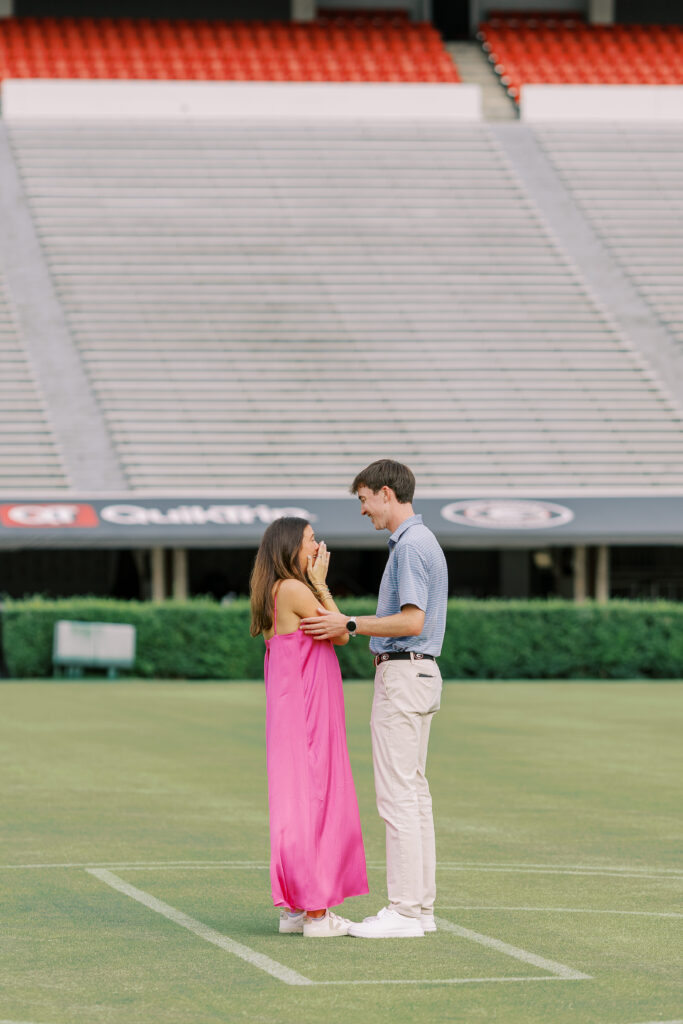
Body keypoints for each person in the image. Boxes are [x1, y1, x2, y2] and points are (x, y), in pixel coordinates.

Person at [301, 460, 448, 939]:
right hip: (418, 672)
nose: (363, 510)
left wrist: (349, 623)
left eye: (364, 499)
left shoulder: (410, 545)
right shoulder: (419, 542)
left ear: (386, 492)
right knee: (415, 795)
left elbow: (411, 621)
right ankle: (419, 909)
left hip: (405, 670)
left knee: (398, 797)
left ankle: (405, 912)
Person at [250, 516, 368, 938]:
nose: (317, 546)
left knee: (295, 802)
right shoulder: (296, 589)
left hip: (288, 708)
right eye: (310, 540)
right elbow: (341, 633)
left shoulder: (271, 591)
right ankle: (317, 912)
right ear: (290, 549)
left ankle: (296, 910)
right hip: (308, 709)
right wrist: (321, 583)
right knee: (317, 799)